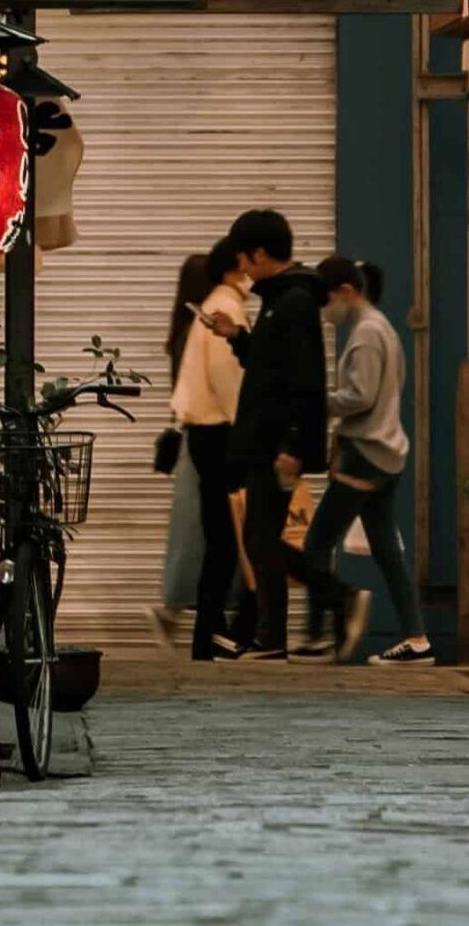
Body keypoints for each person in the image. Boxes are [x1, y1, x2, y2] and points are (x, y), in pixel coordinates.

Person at [284, 257, 432, 665]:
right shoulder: (383, 328)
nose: (324, 309)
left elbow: (360, 396)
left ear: (346, 291)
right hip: (386, 453)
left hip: (364, 454)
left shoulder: (366, 333)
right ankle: (417, 639)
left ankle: (317, 637)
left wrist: (317, 403)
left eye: (326, 299)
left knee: (317, 542)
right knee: (387, 551)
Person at [200, 209, 329, 661]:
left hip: (276, 442)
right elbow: (270, 363)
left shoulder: (294, 302)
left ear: (260, 252)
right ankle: (274, 633)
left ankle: (277, 635)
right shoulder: (279, 301)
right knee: (260, 537)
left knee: (261, 537)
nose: (243, 267)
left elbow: (304, 379)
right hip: (266, 440)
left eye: (245, 256)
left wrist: (294, 446)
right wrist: (235, 335)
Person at [163, 242, 250, 660]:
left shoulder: (210, 307)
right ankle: (213, 634)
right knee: (224, 539)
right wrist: (246, 427)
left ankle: (212, 632)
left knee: (219, 536)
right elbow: (226, 376)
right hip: (219, 434)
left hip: (203, 433)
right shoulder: (224, 307)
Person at [151, 251, 218, 648]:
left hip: (194, 436)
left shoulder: (182, 330)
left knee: (194, 528)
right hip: (204, 435)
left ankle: (177, 611)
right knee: (199, 529)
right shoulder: (200, 331)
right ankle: (173, 609)